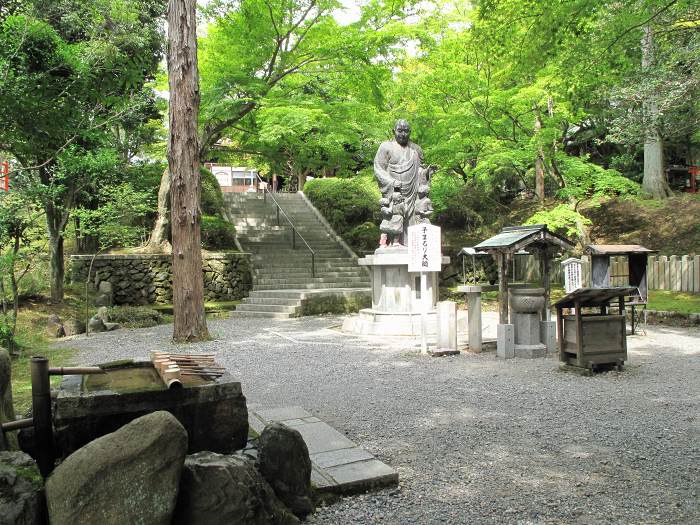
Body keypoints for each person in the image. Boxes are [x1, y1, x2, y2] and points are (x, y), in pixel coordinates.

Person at [373, 120, 436, 244]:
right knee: (395, 219)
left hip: (413, 192)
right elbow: (379, 169)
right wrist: (391, 182)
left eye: (406, 131)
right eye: (400, 131)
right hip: (396, 193)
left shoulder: (416, 149)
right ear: (393, 131)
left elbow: (420, 170)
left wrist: (427, 173)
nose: (403, 134)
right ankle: (393, 243)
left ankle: (414, 245)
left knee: (414, 219)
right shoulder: (386, 147)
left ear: (410, 132)